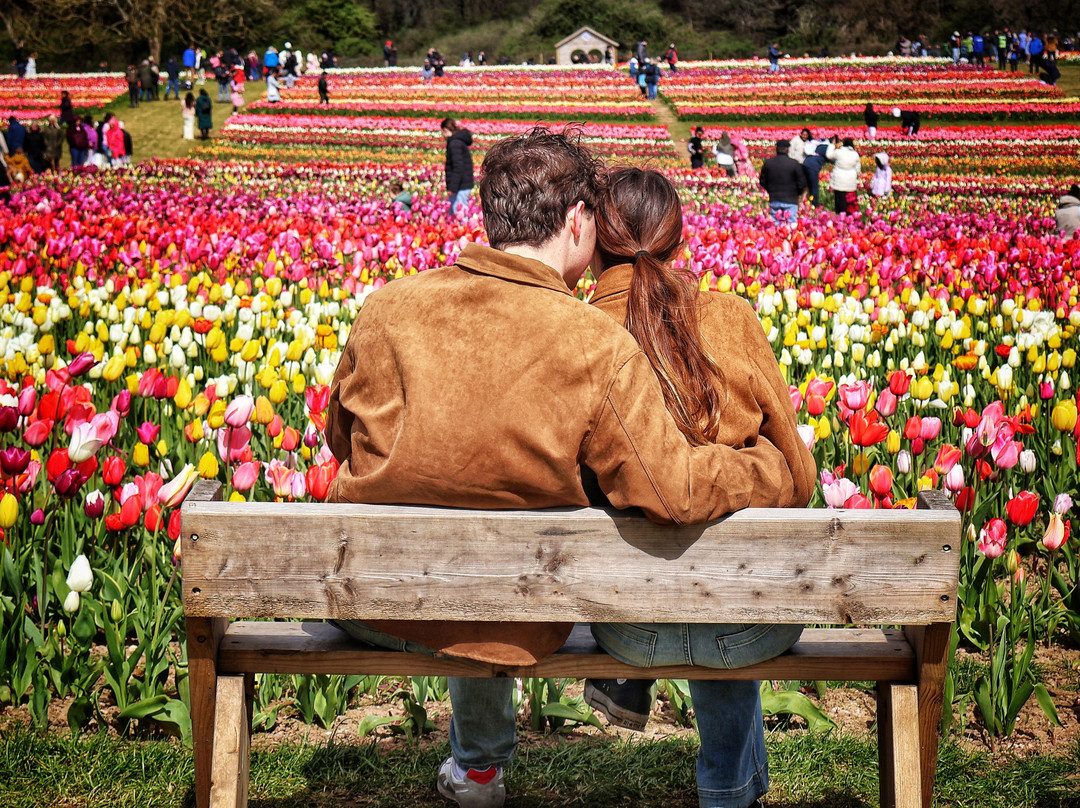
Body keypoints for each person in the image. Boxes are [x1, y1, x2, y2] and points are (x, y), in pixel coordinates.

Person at [325, 125, 799, 808]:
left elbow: (341, 440)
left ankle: (478, 768)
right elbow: (673, 488)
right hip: (514, 615)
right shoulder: (591, 342)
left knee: (471, 547)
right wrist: (769, 469)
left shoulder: (385, 307)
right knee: (491, 569)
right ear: (579, 221)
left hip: (372, 600)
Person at [587, 166, 815, 808]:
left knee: (693, 579)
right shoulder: (730, 318)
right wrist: (748, 469)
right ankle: (728, 785)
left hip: (626, 629)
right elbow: (799, 475)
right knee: (723, 585)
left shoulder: (574, 332)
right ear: (679, 238)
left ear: (594, 243)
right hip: (744, 626)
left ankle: (726, 775)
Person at [758, 139, 806, 224]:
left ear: (777, 149)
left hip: (774, 199)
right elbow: (802, 183)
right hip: (791, 200)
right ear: (787, 149)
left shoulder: (769, 163)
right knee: (791, 227)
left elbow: (762, 181)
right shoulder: (794, 164)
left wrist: (770, 190)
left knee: (776, 226)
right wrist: (797, 193)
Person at [441, 117, 474, 217]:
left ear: (445, 130)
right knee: (458, 212)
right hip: (463, 184)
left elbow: (458, 167)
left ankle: (464, 232)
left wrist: (452, 188)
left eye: (442, 132)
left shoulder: (454, 144)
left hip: (460, 186)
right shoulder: (458, 141)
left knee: (459, 214)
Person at [826, 136, 862, 214]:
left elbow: (829, 155)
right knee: (849, 199)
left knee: (839, 198)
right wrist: (855, 174)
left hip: (839, 178)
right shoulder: (855, 154)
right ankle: (849, 214)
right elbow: (858, 168)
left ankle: (840, 214)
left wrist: (832, 145)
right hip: (850, 179)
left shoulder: (839, 152)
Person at [802, 141, 829, 207]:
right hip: (812, 166)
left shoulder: (818, 146)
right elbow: (831, 157)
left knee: (808, 184)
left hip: (805, 163)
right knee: (814, 185)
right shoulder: (827, 146)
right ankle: (815, 204)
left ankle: (805, 201)